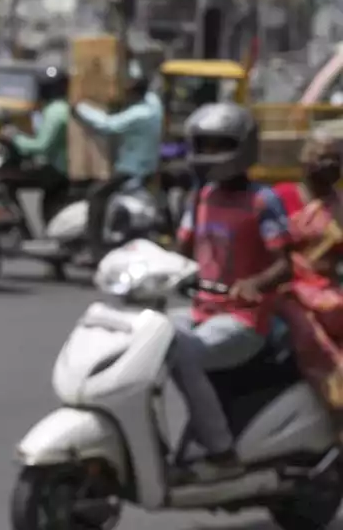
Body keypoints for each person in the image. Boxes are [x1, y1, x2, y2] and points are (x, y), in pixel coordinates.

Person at [172, 102, 293, 480]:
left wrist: (254, 284)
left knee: (182, 353)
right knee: (144, 335)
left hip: (243, 319)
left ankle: (221, 451)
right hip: (200, 311)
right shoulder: (202, 197)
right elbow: (183, 251)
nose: (207, 155)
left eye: (216, 145)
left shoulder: (262, 201)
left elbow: (284, 263)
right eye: (201, 145)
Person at [275, 132, 343, 431]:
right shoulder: (279, 198)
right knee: (310, 336)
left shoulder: (340, 206)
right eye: (319, 155)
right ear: (304, 159)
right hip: (285, 289)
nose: (325, 164)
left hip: (327, 292)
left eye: (334, 159)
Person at [73, 71, 162, 259]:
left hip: (131, 169)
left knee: (96, 195)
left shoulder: (139, 113)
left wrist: (80, 108)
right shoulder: (154, 105)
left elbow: (108, 125)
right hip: (147, 166)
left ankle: (95, 247)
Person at [0, 65, 71, 222]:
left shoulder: (55, 112)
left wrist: (15, 138)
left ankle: (19, 222)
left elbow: (42, 146)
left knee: (4, 178)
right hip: (59, 166)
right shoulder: (59, 108)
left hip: (58, 169)